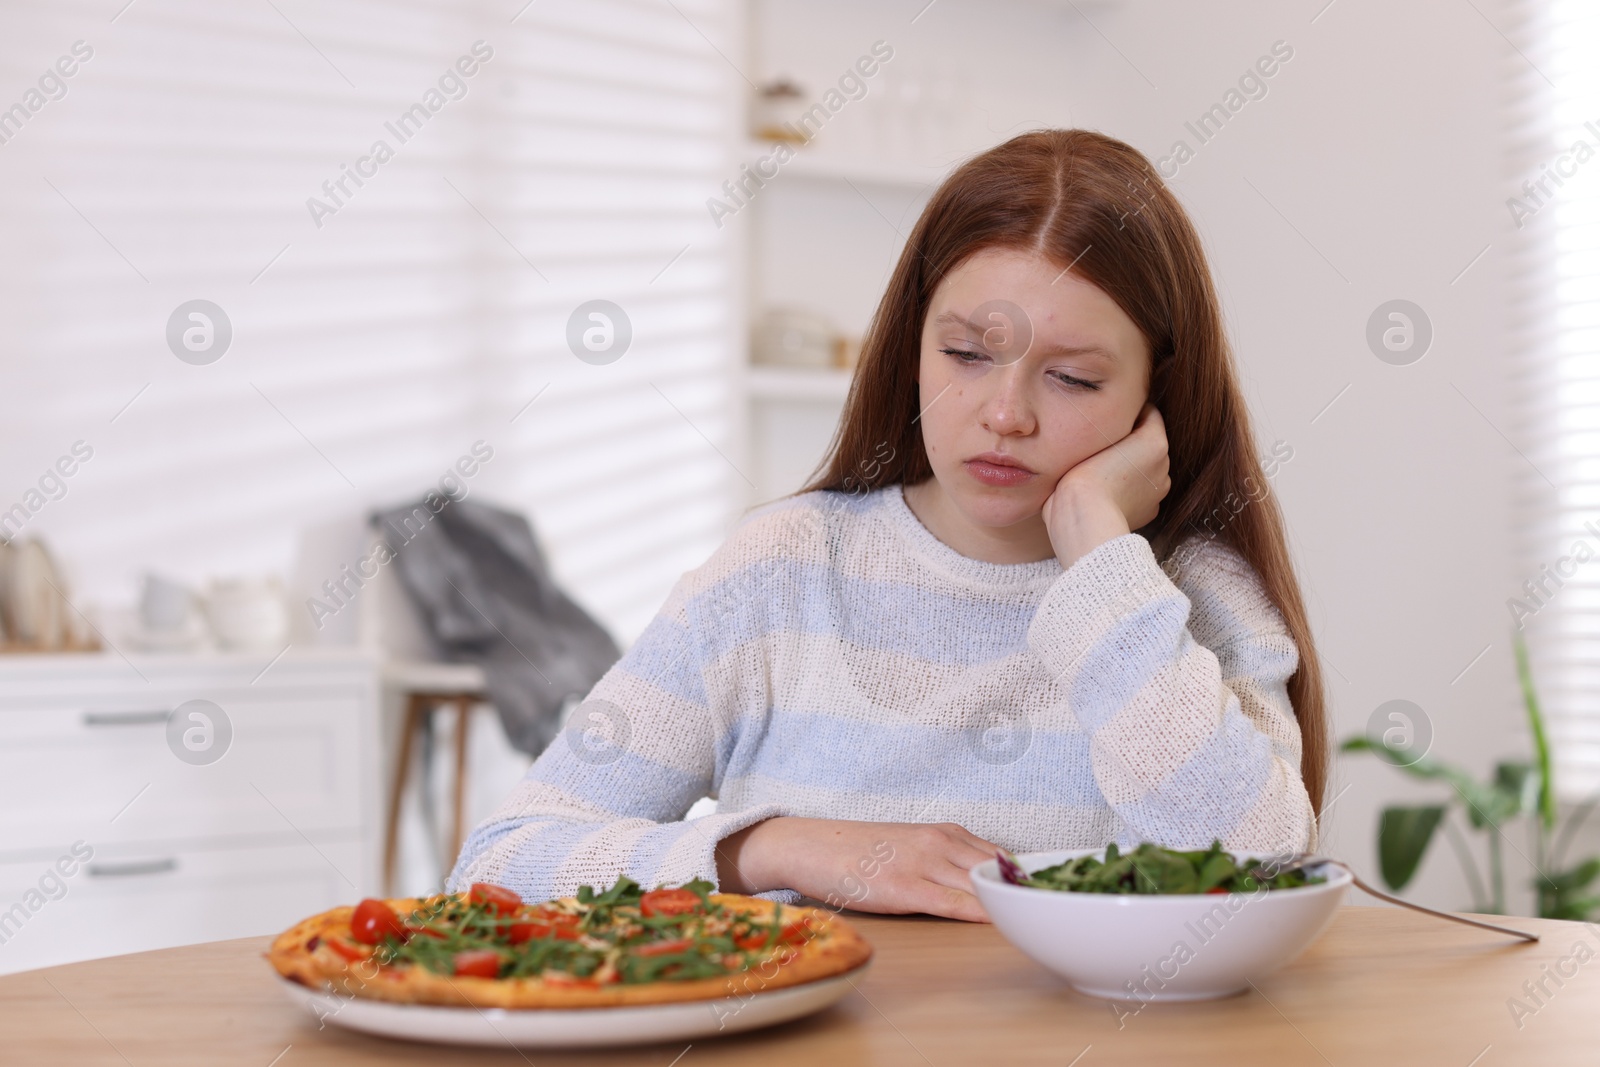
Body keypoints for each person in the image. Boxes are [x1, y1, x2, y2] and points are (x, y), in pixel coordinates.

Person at [449, 129, 1327, 922]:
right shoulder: (779, 571)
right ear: (911, 343)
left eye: (1074, 379)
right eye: (967, 354)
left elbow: (1255, 873)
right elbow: (501, 863)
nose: (1005, 414)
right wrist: (773, 846)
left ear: (1154, 395)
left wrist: (1101, 555)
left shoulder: (1191, 597)